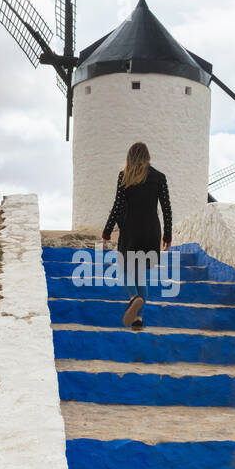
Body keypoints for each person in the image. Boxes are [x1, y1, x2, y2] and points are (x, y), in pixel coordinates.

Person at [101, 141, 172, 329]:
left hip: (131, 231)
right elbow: (166, 209)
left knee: (124, 270)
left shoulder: (124, 177)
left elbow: (117, 206)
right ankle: (138, 319)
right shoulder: (159, 177)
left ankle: (134, 298)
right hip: (151, 232)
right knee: (141, 275)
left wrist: (107, 232)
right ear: (148, 157)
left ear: (129, 157)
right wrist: (168, 235)